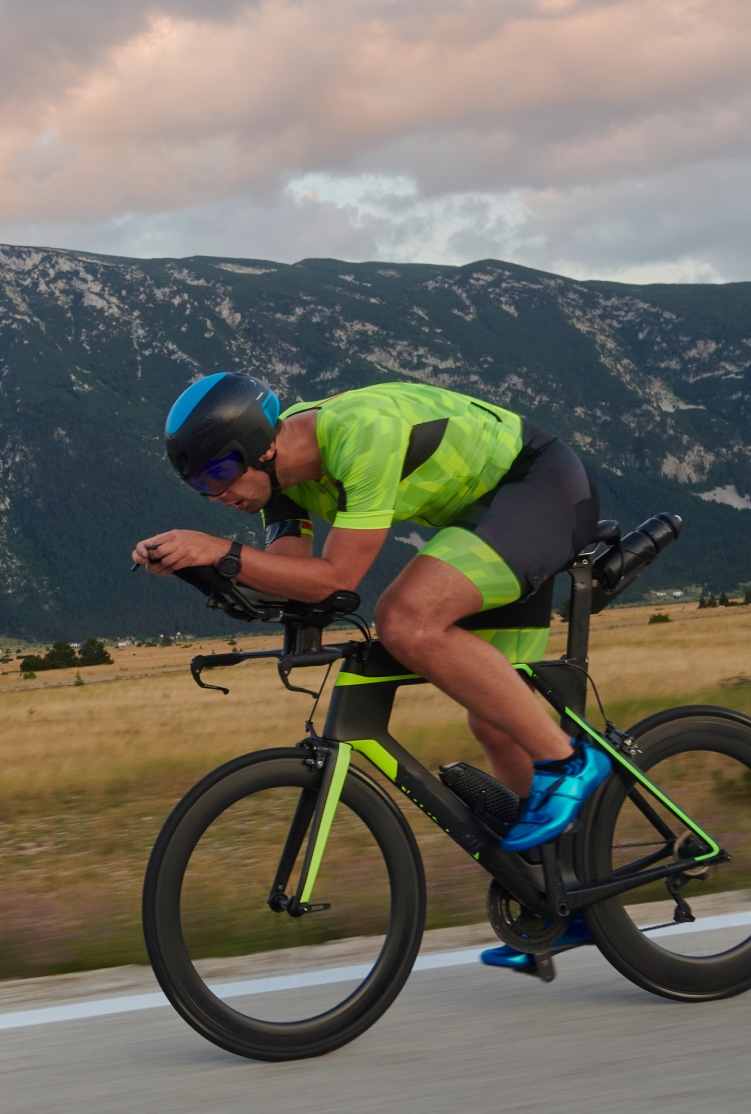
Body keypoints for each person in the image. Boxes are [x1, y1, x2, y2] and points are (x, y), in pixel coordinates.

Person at [132, 372, 610, 965]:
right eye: (201, 485)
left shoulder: (361, 435)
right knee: (496, 720)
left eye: (219, 473)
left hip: (539, 490)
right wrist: (195, 565)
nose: (215, 494)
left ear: (264, 446)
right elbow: (291, 578)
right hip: (487, 525)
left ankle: (571, 762)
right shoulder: (282, 484)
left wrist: (218, 550)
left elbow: (337, 578)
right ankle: (565, 899)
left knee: (405, 619)